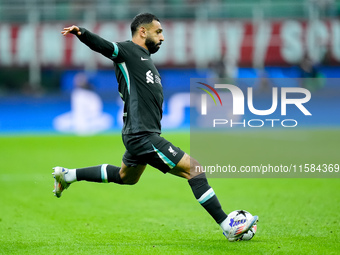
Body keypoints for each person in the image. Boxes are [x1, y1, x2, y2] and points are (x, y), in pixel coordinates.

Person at [54, 13, 258, 241]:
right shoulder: (128, 52)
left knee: (126, 177)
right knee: (194, 169)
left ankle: (68, 175)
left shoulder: (144, 59)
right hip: (142, 134)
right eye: (158, 32)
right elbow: (104, 46)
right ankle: (227, 224)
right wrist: (82, 33)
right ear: (143, 31)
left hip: (138, 133)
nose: (162, 38)